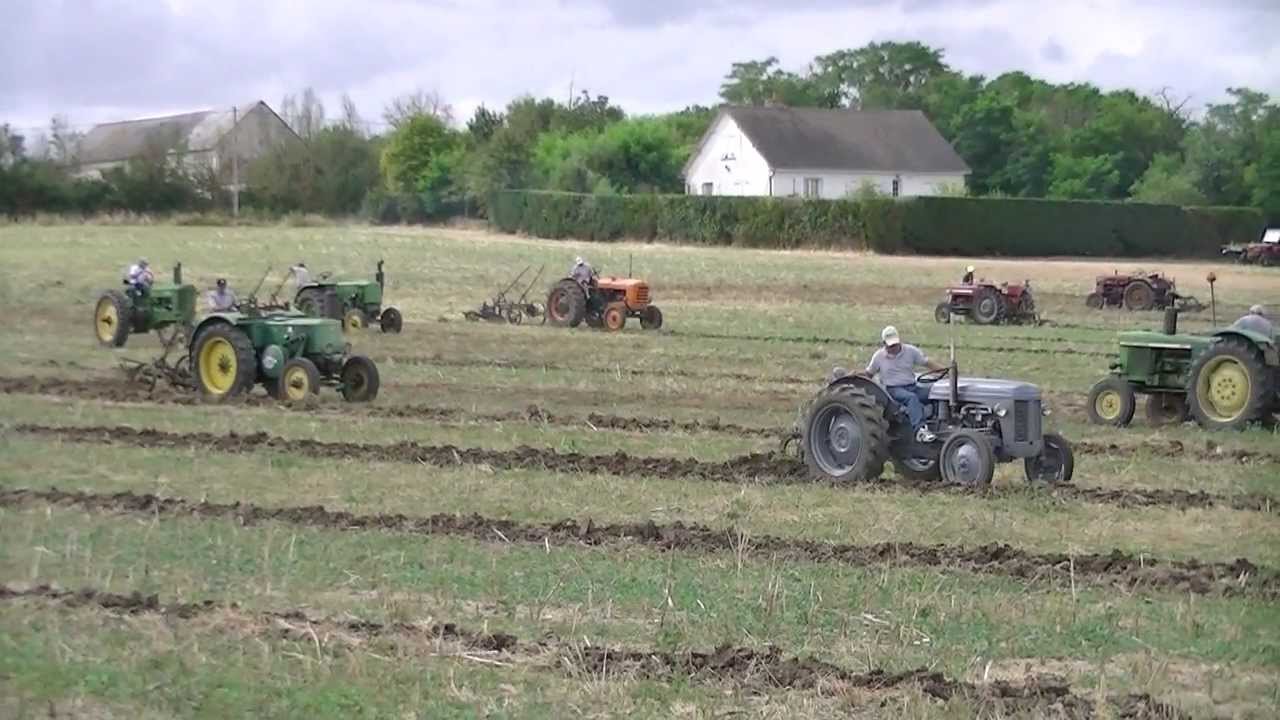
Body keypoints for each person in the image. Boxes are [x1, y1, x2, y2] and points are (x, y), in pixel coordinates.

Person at [864, 326, 947, 441]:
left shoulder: (910, 351)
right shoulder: (878, 357)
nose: (894, 347)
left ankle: (941, 426)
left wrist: (946, 371)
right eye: (890, 345)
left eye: (895, 344)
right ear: (884, 344)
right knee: (911, 398)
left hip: (911, 386)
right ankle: (920, 430)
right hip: (892, 390)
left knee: (935, 394)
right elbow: (868, 374)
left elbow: (927, 362)